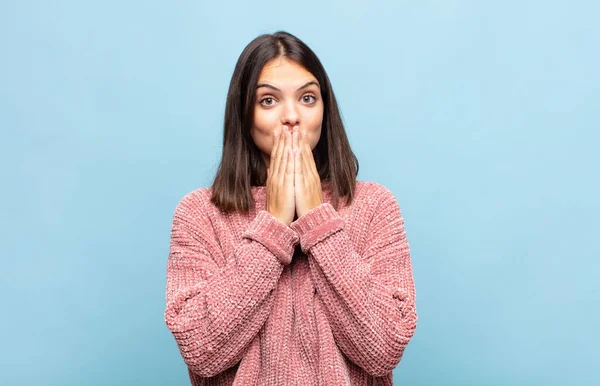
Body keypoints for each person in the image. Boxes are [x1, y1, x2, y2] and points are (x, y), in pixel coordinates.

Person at [164, 31, 418, 386]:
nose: (291, 116)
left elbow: (384, 348)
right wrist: (272, 225)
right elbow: (201, 349)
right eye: (268, 100)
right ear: (244, 113)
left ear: (324, 110)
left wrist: (318, 221)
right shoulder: (199, 214)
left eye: (308, 98)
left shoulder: (375, 206)